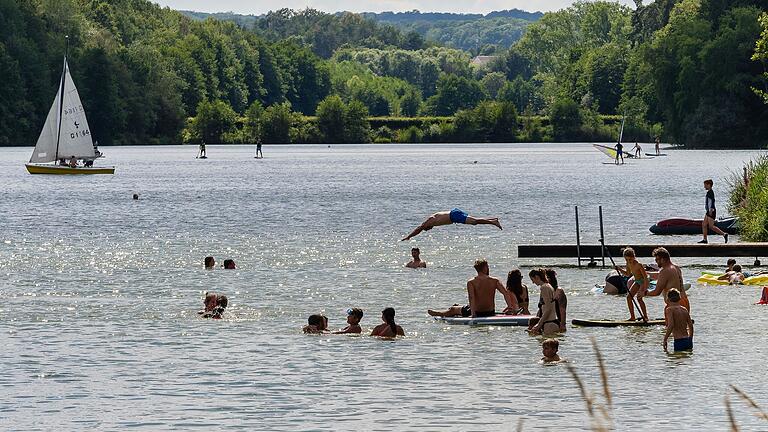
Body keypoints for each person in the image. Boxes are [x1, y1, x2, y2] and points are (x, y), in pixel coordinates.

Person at [401, 209, 502, 241]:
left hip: (453, 216)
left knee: (474, 222)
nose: (429, 229)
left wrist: (408, 237)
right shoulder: (432, 219)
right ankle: (493, 220)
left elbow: (419, 228)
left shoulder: (428, 221)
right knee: (474, 221)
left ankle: (493, 222)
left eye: (428, 229)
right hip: (454, 214)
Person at [646, 247, 690, 312]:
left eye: (657, 259)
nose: (656, 261)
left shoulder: (664, 271)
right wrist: (646, 273)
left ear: (663, 259)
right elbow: (661, 276)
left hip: (674, 305)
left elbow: (657, 292)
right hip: (684, 302)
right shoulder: (675, 267)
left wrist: (644, 293)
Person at [615, 247, 650, 322]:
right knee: (629, 298)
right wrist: (619, 269)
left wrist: (644, 288)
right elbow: (627, 274)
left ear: (634, 257)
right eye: (626, 259)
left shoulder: (639, 264)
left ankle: (645, 316)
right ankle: (632, 317)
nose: (628, 261)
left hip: (643, 281)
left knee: (639, 298)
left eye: (630, 259)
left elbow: (646, 277)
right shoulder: (628, 263)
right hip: (637, 281)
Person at [528, 269, 561, 335]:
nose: (533, 282)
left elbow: (548, 309)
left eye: (532, 280)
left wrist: (538, 324)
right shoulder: (548, 286)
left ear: (537, 277)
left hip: (549, 323)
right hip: (552, 322)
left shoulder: (544, 288)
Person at [700, 179, 728, 244]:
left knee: (711, 226)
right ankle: (705, 239)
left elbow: (711, 202)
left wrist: (711, 210)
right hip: (708, 211)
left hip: (711, 211)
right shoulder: (709, 192)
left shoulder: (711, 193)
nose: (704, 186)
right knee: (704, 224)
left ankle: (724, 234)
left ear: (709, 185)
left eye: (705, 185)